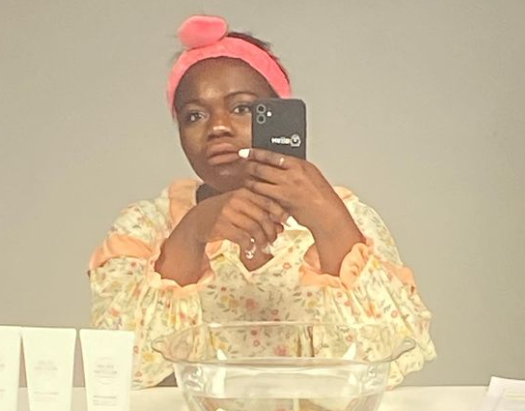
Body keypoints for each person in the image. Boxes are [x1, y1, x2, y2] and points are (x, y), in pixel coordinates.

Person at [88, 15, 436, 389]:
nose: (217, 127)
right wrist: (191, 233)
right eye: (194, 115)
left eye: (242, 108)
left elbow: (391, 361)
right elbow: (124, 369)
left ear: (280, 115)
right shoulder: (145, 227)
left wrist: (329, 220)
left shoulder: (347, 215)